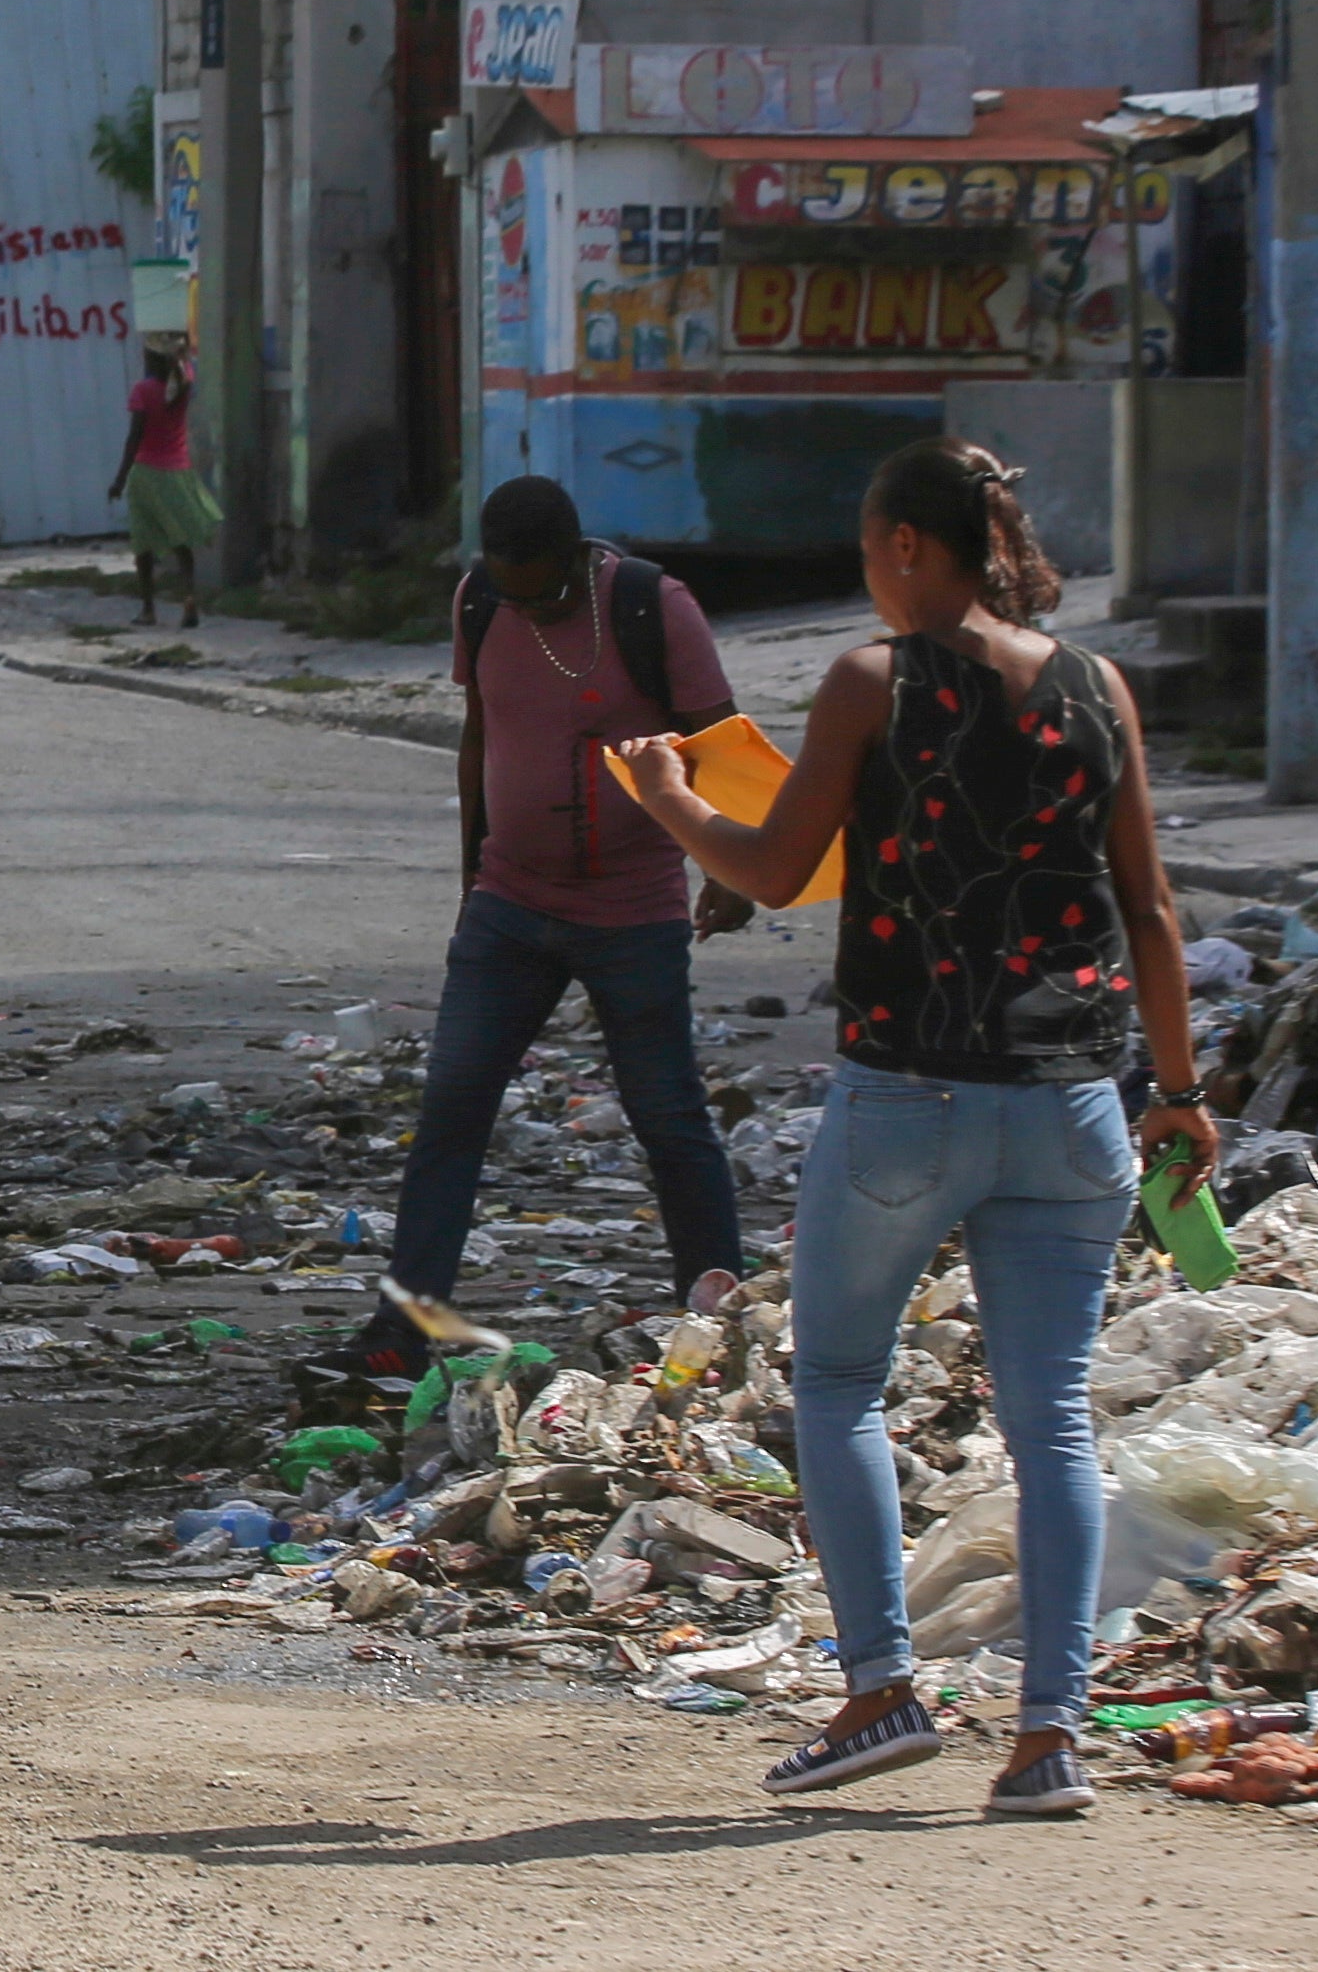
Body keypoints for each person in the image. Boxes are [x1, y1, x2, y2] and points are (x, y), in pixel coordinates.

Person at [608, 437, 1214, 1826]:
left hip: (908, 1097)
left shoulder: (872, 682)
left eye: (869, 547)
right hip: (1075, 1103)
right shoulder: (1095, 685)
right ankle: (1048, 1734)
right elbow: (1154, 910)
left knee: (835, 1380)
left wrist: (669, 797)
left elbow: (769, 867)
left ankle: (882, 1689)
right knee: (1051, 1415)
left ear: (904, 548)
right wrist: (1177, 1092)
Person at [339, 474, 752, 1380]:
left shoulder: (650, 606)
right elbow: (478, 735)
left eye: (544, 592)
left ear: (576, 559)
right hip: (511, 904)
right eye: (509, 589)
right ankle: (404, 1328)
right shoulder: (481, 602)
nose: (527, 607)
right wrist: (469, 874)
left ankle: (721, 1330)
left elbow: (720, 741)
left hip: (634, 905)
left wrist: (730, 867)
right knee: (451, 1107)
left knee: (670, 1118)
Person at [106, 335, 215, 625]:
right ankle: (189, 598)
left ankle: (148, 610)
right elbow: (186, 365)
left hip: (147, 474)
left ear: (151, 360)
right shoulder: (182, 386)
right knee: (181, 543)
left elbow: (134, 439)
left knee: (143, 546)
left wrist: (119, 479)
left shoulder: (143, 391)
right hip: (180, 472)